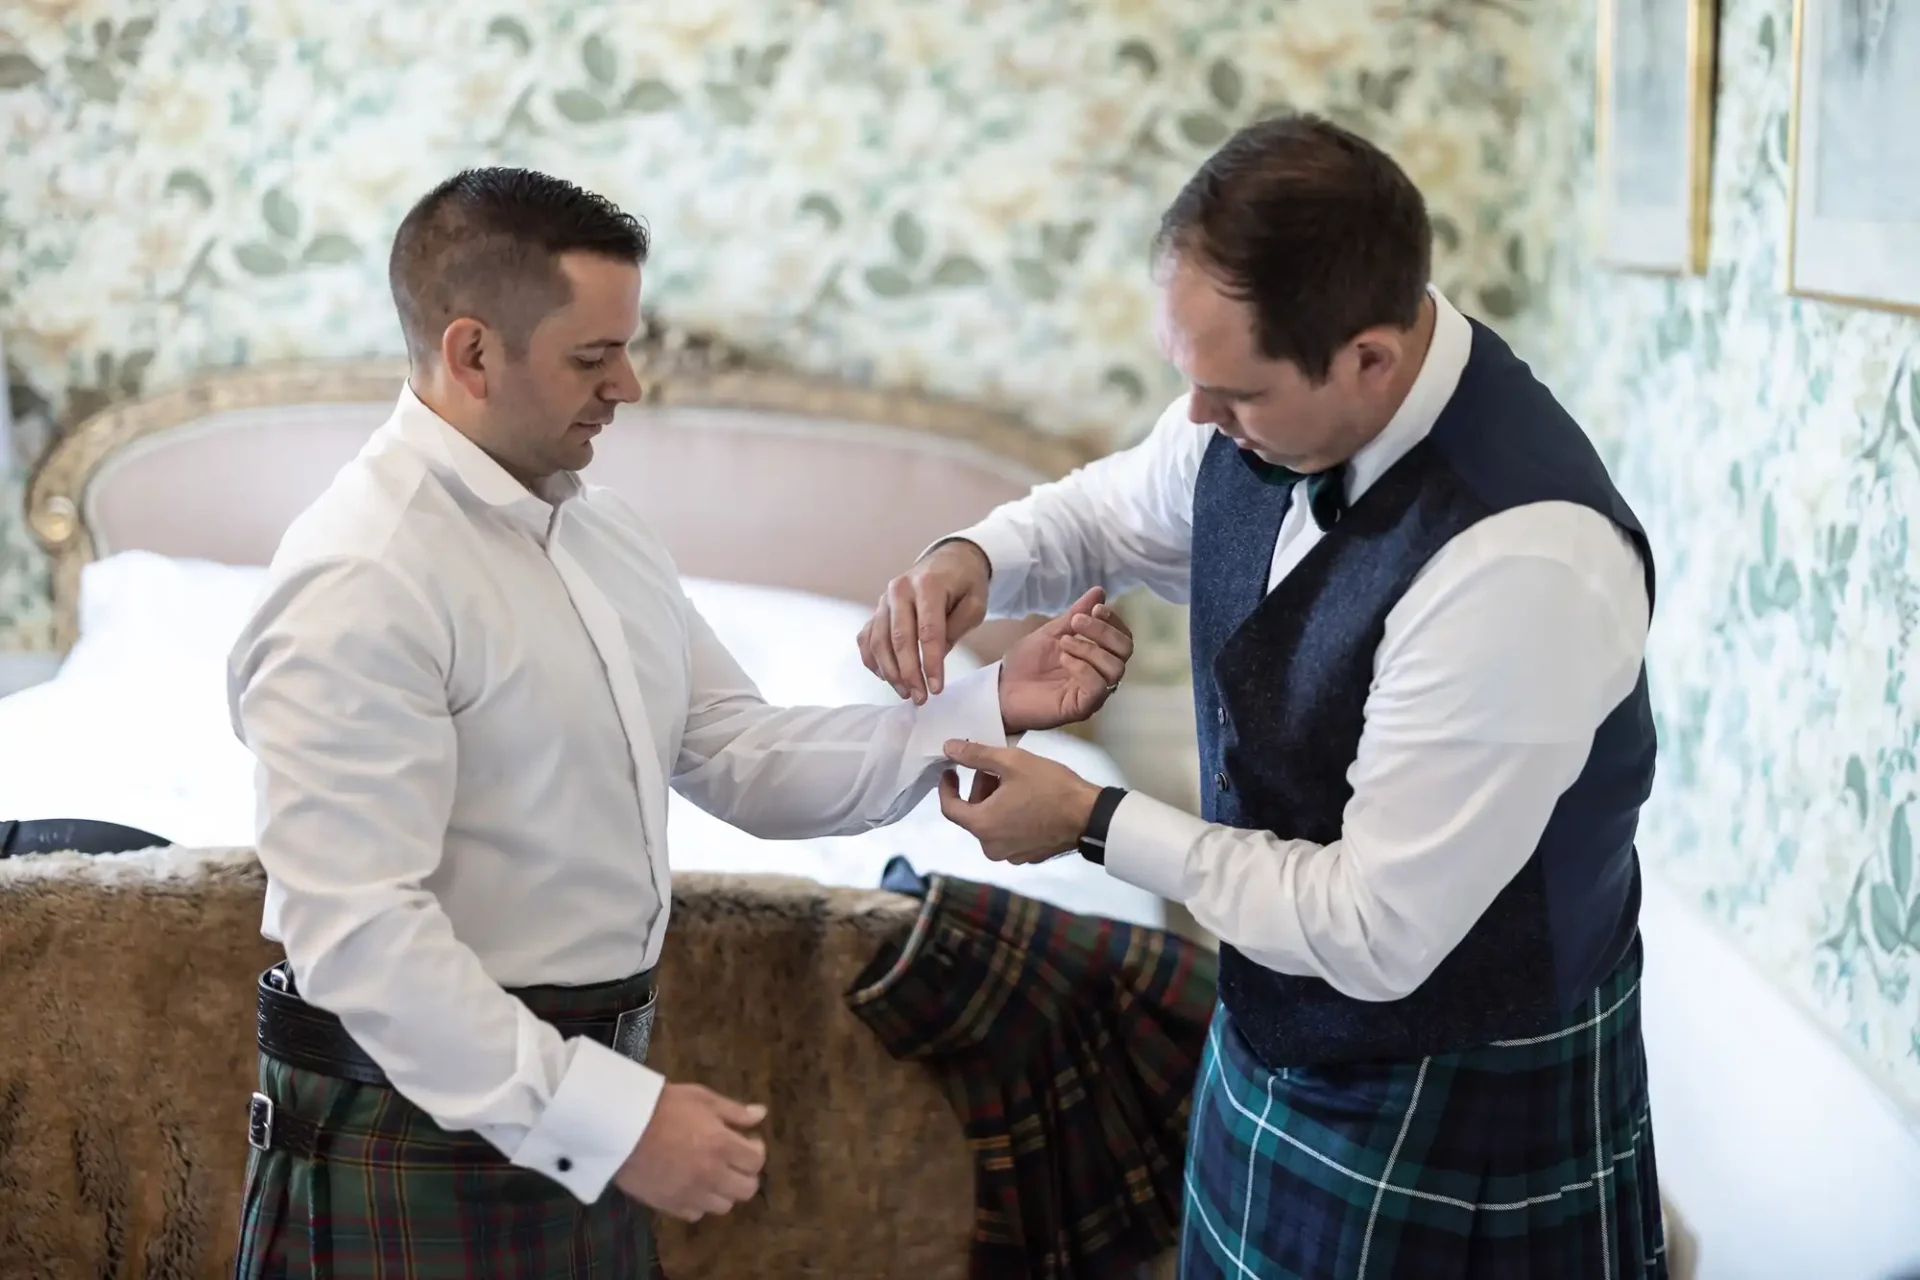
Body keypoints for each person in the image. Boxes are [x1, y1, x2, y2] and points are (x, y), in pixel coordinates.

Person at [225, 166, 1138, 1279]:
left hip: (572, 1108)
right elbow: (358, 933)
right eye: (593, 357)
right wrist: (612, 1118)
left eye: (628, 346)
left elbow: (738, 751)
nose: (633, 385)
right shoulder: (362, 575)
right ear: (470, 353)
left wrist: (988, 702)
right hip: (411, 1130)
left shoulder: (603, 532)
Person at [862, 114, 1667, 1277]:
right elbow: (1109, 508)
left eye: (1234, 394)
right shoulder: (1257, 402)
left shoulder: (1524, 561)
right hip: (1276, 1019)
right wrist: (968, 558)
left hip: (1454, 1081)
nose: (1198, 421)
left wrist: (1089, 822)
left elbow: (1377, 931)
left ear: (1371, 359)